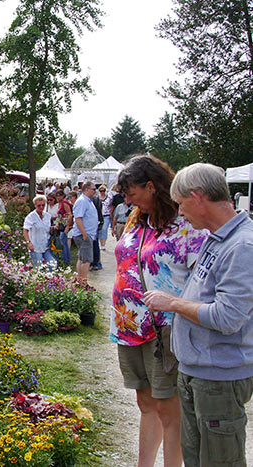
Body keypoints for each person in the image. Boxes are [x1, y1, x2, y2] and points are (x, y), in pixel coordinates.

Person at [144, 163, 253, 467]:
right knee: (195, 457)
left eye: (181, 203)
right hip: (198, 371)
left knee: (220, 461)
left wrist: (174, 304)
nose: (179, 213)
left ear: (198, 196)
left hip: (219, 375)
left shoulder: (242, 246)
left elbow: (228, 318)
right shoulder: (217, 237)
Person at [113, 155, 208, 467]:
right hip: (129, 327)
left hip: (163, 329)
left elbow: (202, 281)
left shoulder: (186, 227)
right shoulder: (138, 219)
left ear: (151, 187)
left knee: (169, 409)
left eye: (131, 193)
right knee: (145, 403)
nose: (127, 200)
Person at [69, 181, 98, 282]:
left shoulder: (88, 200)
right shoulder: (82, 201)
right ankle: (83, 282)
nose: (95, 191)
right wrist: (84, 234)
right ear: (86, 189)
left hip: (86, 234)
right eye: (93, 189)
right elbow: (78, 218)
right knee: (87, 260)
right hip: (84, 234)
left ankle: (80, 280)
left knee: (82, 258)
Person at [23, 195, 56, 269]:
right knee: (38, 268)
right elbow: (25, 230)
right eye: (39, 205)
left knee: (53, 264)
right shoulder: (31, 217)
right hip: (35, 247)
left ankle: (49, 279)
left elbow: (47, 228)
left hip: (46, 246)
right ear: (35, 205)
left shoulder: (47, 216)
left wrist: (53, 228)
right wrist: (28, 242)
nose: (41, 207)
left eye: (43, 205)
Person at [56, 191, 73, 265]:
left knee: (62, 242)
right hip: (62, 224)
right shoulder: (60, 204)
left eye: (60, 195)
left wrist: (68, 225)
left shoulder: (65, 203)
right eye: (57, 196)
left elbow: (70, 214)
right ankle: (67, 259)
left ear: (63, 196)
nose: (58, 197)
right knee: (65, 242)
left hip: (66, 225)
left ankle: (64, 259)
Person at [98, 184, 112, 250]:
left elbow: (111, 207)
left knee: (104, 229)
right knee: (100, 230)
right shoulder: (97, 198)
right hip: (99, 215)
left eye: (103, 190)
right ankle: (101, 243)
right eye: (101, 191)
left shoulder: (109, 198)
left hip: (106, 215)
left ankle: (103, 244)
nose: (102, 192)